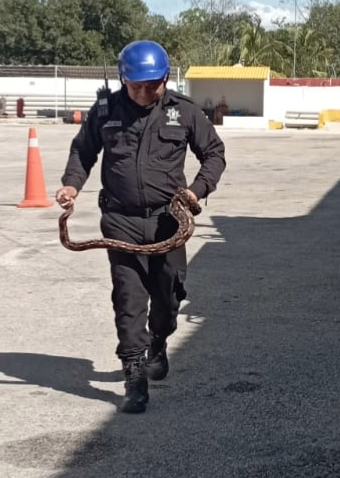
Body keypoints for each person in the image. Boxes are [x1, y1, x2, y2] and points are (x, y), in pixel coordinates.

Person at [56, 40, 227, 414]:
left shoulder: (184, 112)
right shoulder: (105, 111)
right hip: (121, 219)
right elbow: (83, 152)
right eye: (137, 86)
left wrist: (197, 192)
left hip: (168, 220)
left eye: (154, 85)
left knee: (167, 296)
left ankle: (159, 341)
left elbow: (214, 153)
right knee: (129, 297)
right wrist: (71, 184)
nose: (146, 92)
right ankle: (134, 374)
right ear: (123, 80)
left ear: (166, 78)